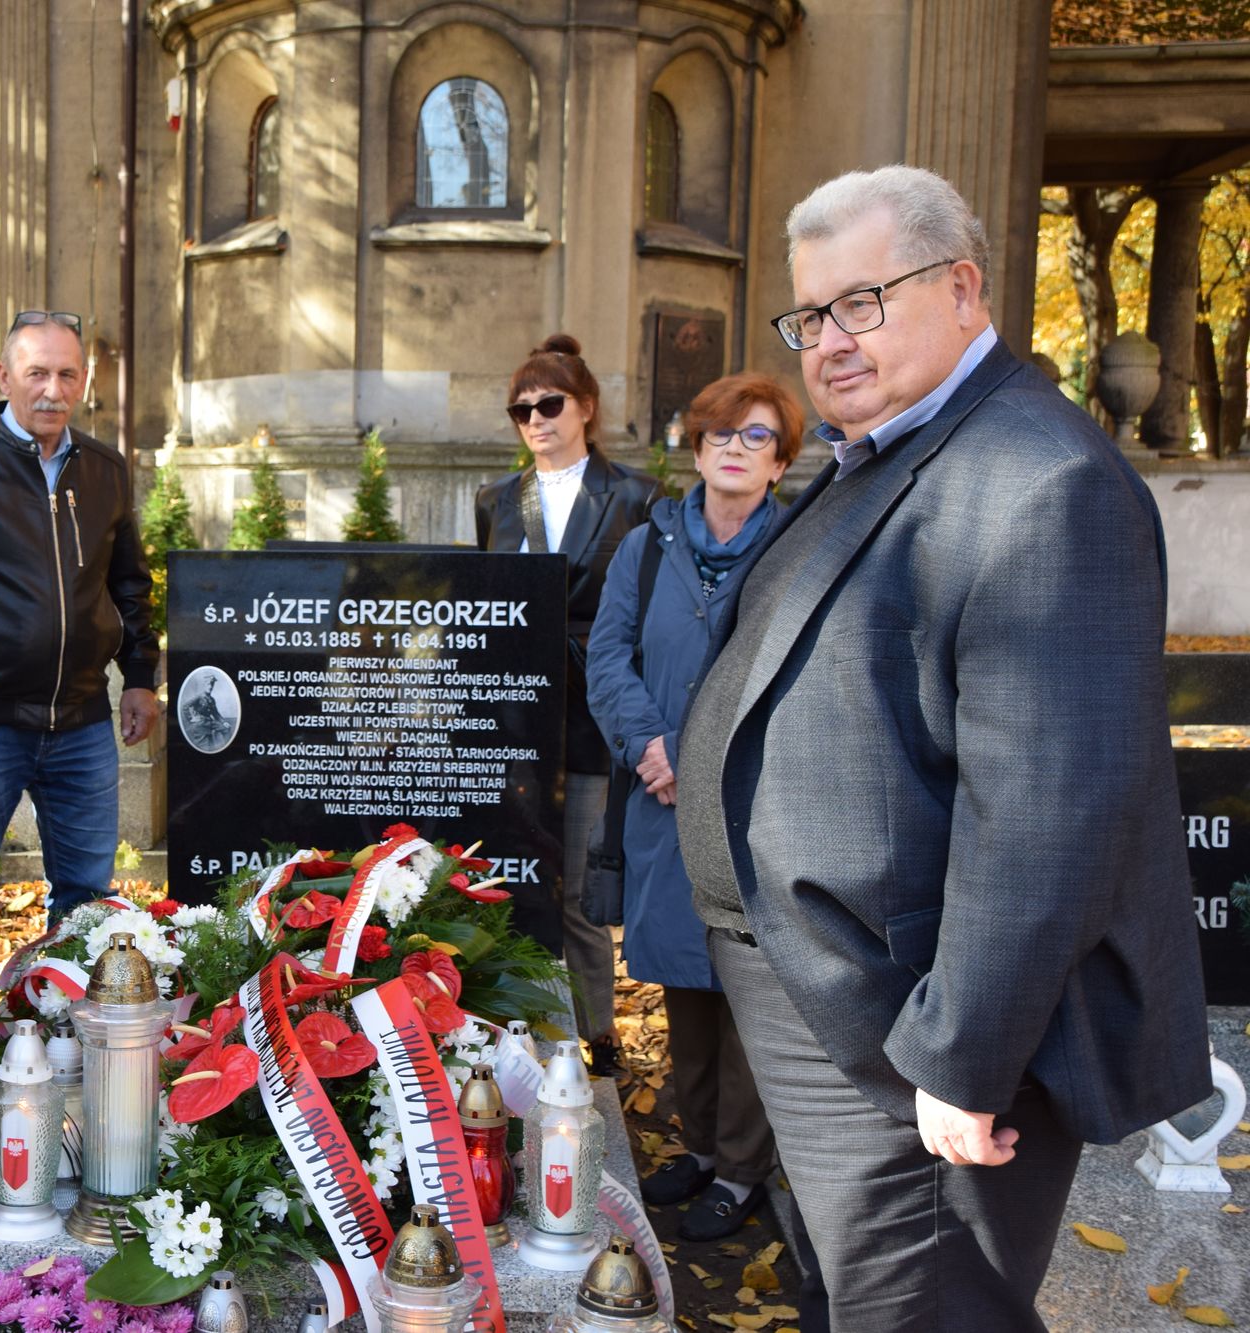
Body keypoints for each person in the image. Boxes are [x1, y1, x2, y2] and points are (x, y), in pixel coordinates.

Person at [676, 165, 1211, 1331]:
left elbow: (1048, 814)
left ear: (962, 288)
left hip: (904, 1029)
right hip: (825, 998)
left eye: (860, 301)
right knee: (851, 1299)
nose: (829, 341)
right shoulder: (894, 448)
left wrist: (960, 1057)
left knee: (924, 1310)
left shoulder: (1039, 479)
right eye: (808, 316)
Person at [584, 373, 799, 1241]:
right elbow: (608, 655)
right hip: (661, 797)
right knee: (683, 976)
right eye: (720, 433)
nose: (735, 448)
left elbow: (797, 675)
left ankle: (743, 1167)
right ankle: (703, 1146)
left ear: (780, 461)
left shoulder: (798, 552)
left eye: (756, 436)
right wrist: (648, 744)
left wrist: (699, 758)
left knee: (748, 986)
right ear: (695, 449)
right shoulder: (647, 546)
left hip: (752, 806)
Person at [0, 310, 159, 1018]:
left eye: (67, 374)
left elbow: (129, 583)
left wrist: (140, 676)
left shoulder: (105, 469)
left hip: (82, 724)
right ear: (4, 377)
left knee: (86, 901)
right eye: (37, 373)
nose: (53, 390)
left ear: (84, 380)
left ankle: (66, 1043)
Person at [474, 333, 660, 1068]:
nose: (535, 420)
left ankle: (595, 1028)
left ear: (585, 406)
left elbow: (650, 614)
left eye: (549, 405)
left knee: (578, 884)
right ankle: (510, 1025)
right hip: (512, 715)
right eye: (520, 410)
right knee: (510, 872)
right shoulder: (496, 499)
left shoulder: (637, 497)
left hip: (589, 712)